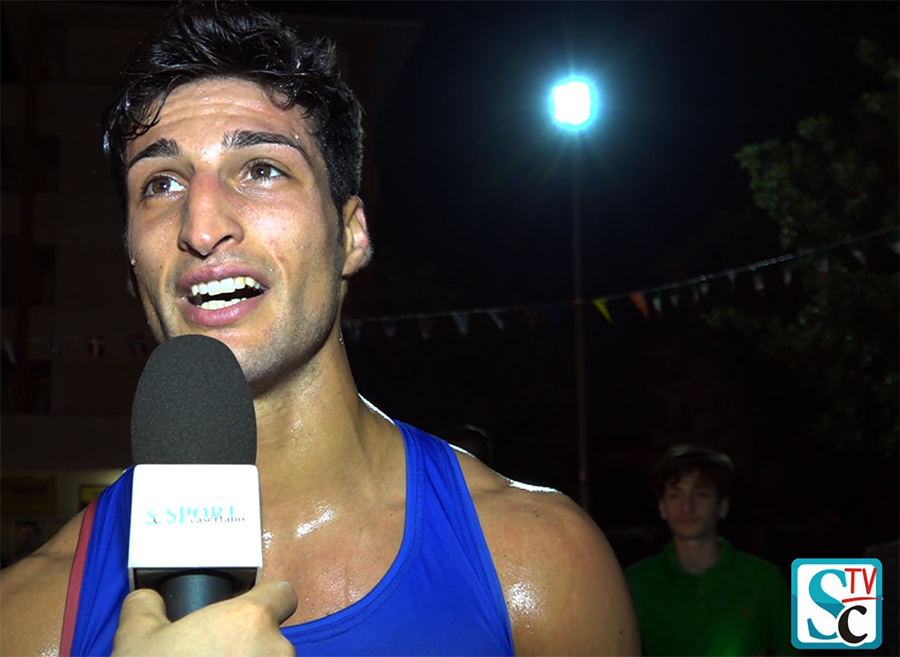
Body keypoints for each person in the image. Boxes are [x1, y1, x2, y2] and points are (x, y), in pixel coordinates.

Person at [0, 2, 640, 656]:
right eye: (161, 183)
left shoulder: (538, 566)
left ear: (351, 235)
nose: (201, 226)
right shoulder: (27, 620)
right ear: (131, 261)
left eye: (262, 169)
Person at [625, 445, 798, 657]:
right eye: (675, 495)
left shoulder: (765, 580)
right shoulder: (636, 582)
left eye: (701, 494)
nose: (687, 507)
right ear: (662, 507)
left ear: (722, 506)